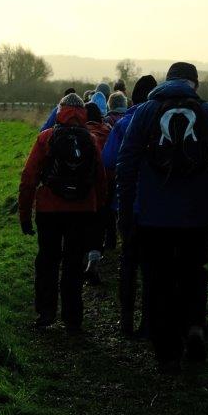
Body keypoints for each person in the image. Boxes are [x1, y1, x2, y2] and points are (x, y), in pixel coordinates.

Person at [117, 62, 208, 372]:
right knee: (193, 271)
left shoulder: (145, 112)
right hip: (197, 216)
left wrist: (126, 211)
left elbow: (126, 162)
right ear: (194, 84)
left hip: (152, 216)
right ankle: (195, 325)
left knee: (158, 279)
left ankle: (167, 352)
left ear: (166, 81)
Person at [20, 93, 107, 332]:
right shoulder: (90, 139)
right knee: (73, 263)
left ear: (60, 111)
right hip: (82, 211)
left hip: (49, 210)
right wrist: (98, 212)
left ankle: (46, 313)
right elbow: (100, 179)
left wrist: (25, 215)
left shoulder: (46, 138)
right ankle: (73, 317)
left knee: (47, 261)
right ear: (82, 114)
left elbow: (28, 179)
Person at [102, 75, 157, 336]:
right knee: (151, 267)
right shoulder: (161, 123)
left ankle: (125, 321)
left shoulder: (124, 123)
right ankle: (148, 322)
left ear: (133, 98)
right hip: (156, 208)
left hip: (127, 206)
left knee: (128, 262)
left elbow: (109, 160)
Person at [83, 102, 112, 285]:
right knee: (98, 226)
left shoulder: (81, 135)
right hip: (103, 186)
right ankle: (94, 258)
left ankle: (81, 258)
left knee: (83, 225)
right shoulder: (108, 132)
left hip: (82, 189)